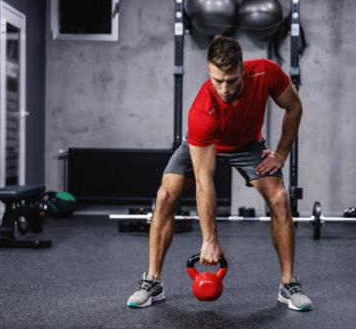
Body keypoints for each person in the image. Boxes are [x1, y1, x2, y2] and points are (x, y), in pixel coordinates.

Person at [127, 36, 312, 311]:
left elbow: (294, 106)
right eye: (217, 80)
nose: (224, 88)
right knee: (166, 195)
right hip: (203, 143)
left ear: (243, 70)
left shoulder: (264, 72)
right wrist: (210, 240)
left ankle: (288, 285)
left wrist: (281, 154)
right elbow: (204, 182)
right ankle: (152, 281)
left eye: (232, 80)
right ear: (208, 70)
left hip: (248, 145)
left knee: (280, 198)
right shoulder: (202, 111)